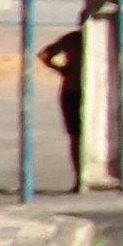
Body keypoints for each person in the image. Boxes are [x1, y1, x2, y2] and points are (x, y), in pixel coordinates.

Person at [34, 26, 83, 197]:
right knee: (79, 136)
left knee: (75, 137)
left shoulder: (71, 39)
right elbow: (44, 56)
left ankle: (79, 179)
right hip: (83, 90)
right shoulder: (92, 40)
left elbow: (44, 55)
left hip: (71, 89)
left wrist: (62, 70)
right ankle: (83, 178)